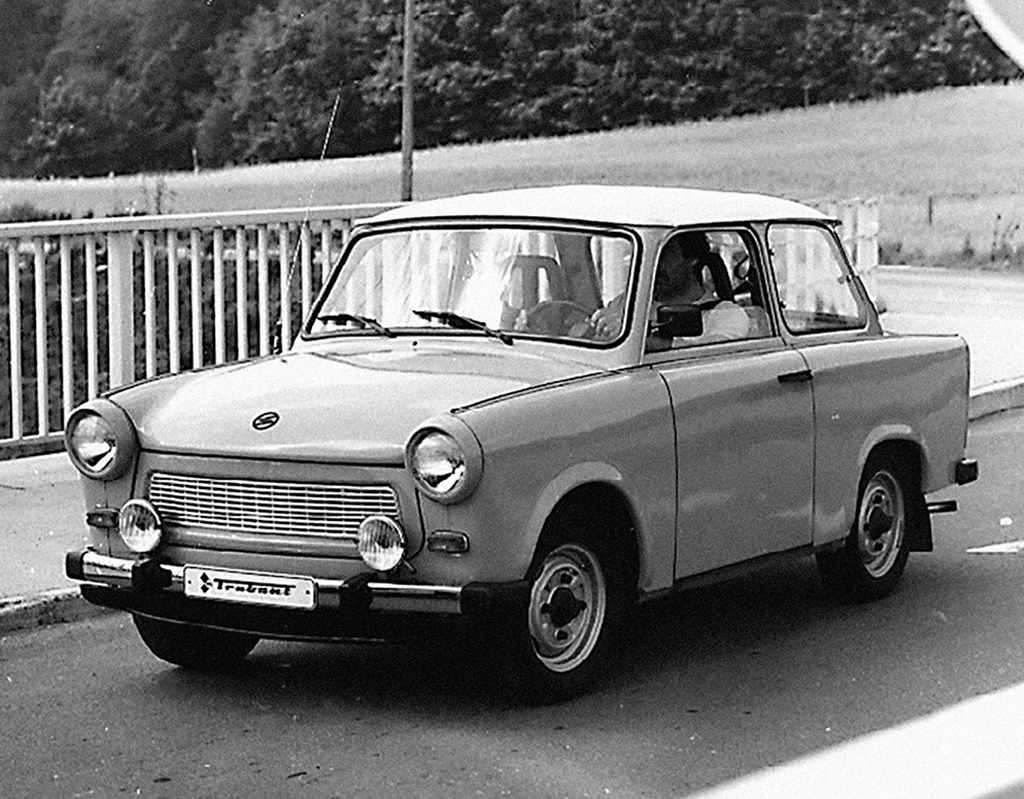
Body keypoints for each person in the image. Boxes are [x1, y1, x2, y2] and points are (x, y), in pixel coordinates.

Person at [591, 231, 749, 344]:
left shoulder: (726, 314)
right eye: (651, 255)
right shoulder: (626, 303)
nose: (655, 264)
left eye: (665, 253)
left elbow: (712, 362)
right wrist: (599, 328)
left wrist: (633, 337)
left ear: (692, 258)